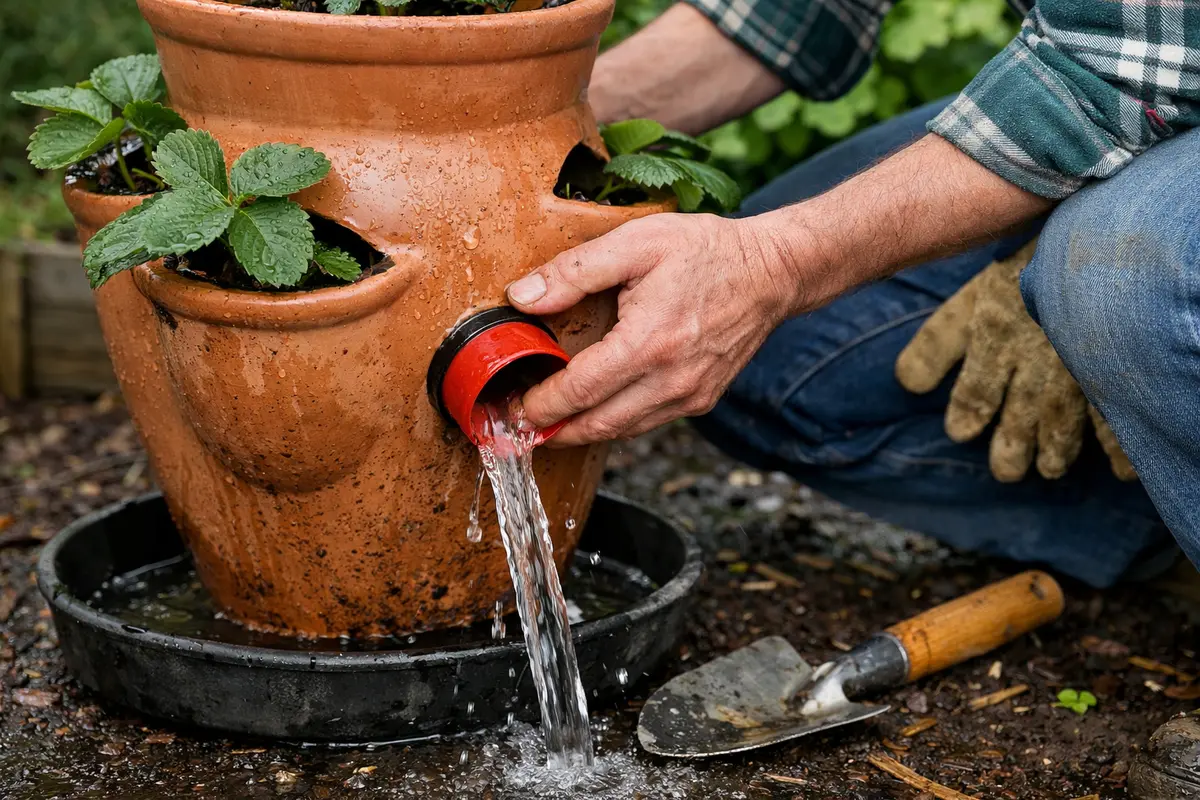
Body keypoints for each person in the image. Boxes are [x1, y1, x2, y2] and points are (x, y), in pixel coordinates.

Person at [504, 1, 1200, 795]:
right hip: (1149, 91)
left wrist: (773, 264)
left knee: (1121, 273)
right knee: (783, 368)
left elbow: (1115, 64)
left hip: (1142, 78)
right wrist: (520, 134)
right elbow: (795, 15)